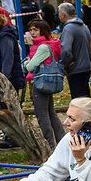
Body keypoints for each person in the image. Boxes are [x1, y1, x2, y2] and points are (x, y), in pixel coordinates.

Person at [23, 19, 66, 148]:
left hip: (40, 83)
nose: (32, 33)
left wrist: (26, 63)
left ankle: (50, 145)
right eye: (30, 30)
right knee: (51, 113)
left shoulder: (42, 47)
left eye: (35, 30)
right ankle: (62, 142)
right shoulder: (50, 44)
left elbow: (30, 67)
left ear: (43, 30)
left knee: (42, 115)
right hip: (47, 82)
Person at [57, 3, 91, 98]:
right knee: (85, 97)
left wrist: (64, 64)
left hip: (75, 68)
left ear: (63, 15)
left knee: (78, 99)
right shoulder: (83, 26)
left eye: (59, 13)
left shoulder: (68, 28)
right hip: (86, 66)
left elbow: (66, 50)